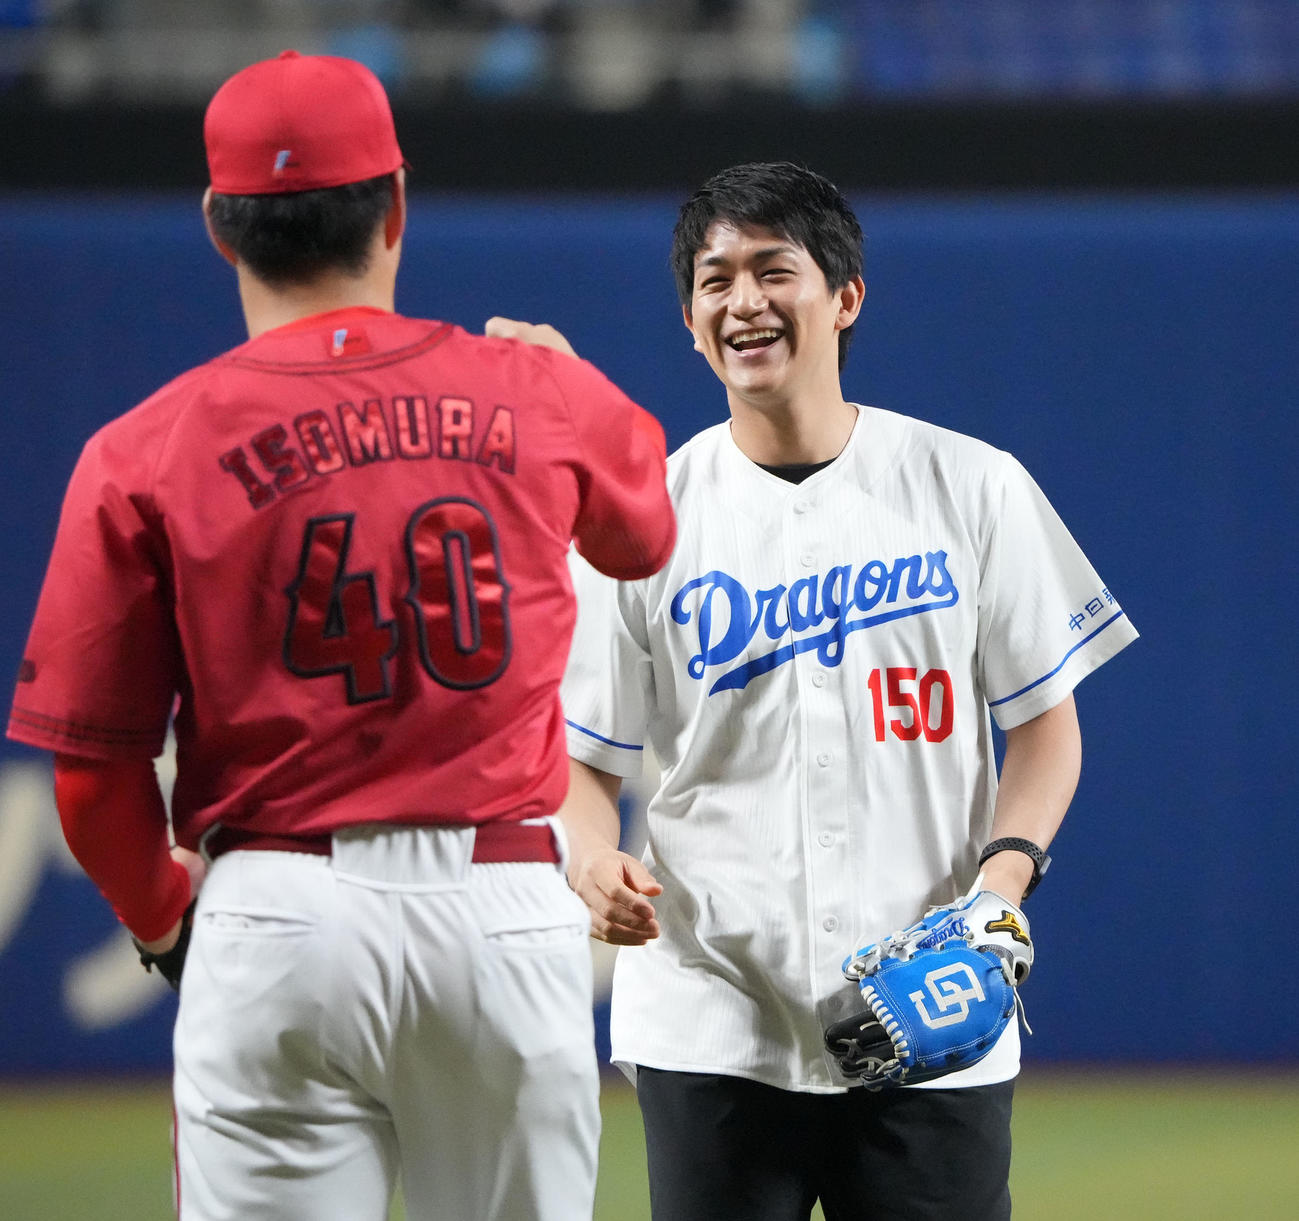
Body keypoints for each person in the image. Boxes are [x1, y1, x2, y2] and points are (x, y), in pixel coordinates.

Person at [6, 50, 675, 1221]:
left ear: (219, 226)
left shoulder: (143, 448)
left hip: (279, 905)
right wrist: (570, 384)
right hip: (503, 906)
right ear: (397, 204)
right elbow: (644, 535)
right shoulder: (530, 390)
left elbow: (91, 780)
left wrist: (171, 922)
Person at [555, 161, 1138, 1220]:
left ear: (844, 297)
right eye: (714, 278)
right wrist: (591, 856)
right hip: (710, 1018)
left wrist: (999, 894)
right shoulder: (641, 524)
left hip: (930, 1012)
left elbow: (1047, 724)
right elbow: (582, 760)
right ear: (689, 321)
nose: (743, 301)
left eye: (774, 270)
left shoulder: (971, 485)